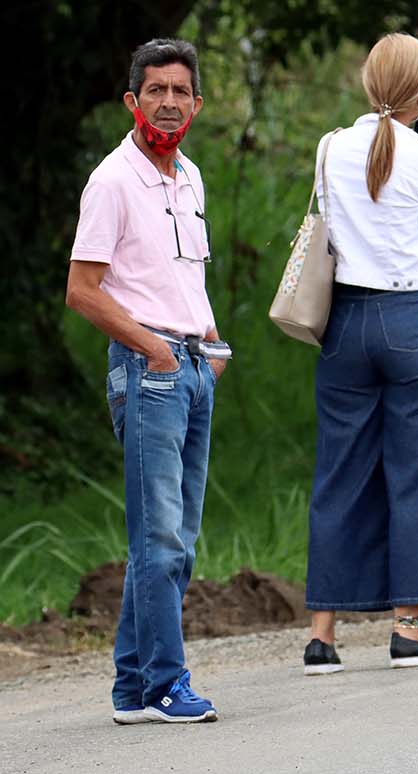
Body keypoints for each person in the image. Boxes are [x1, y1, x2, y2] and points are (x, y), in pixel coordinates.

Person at [302, 33, 418, 674]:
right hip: (414, 320)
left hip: (344, 321)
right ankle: (408, 627)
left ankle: (323, 634)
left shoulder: (329, 148)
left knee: (340, 472)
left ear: (370, 83)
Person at [67, 38, 227, 723]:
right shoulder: (112, 179)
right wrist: (154, 351)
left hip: (195, 368)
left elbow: (184, 274)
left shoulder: (189, 175)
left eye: (179, 92)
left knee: (173, 537)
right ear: (133, 100)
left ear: (196, 103)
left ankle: (133, 687)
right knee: (160, 539)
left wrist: (211, 348)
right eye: (155, 90)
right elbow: (82, 290)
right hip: (150, 370)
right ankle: (167, 683)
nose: (168, 102)